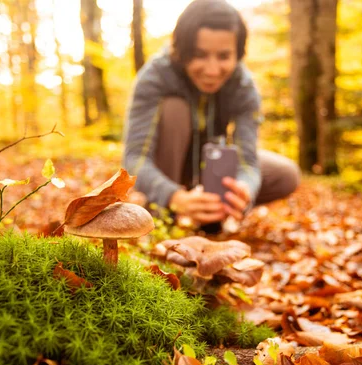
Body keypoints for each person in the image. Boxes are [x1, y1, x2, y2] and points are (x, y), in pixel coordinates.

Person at [122, 0, 300, 229]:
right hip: (169, 166)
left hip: (213, 167)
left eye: (224, 56)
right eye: (199, 55)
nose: (212, 70)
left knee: (285, 174)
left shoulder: (243, 87)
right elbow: (134, 159)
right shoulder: (155, 77)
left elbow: (248, 160)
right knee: (174, 110)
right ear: (181, 50)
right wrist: (174, 197)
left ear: (238, 54)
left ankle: (212, 214)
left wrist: (244, 190)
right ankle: (163, 216)